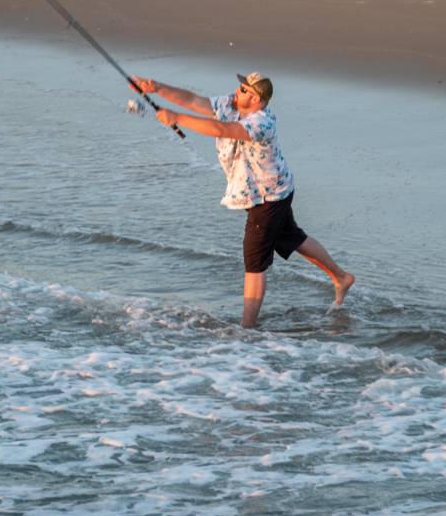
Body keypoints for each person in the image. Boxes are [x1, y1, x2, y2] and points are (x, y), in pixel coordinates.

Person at [130, 71, 354, 328]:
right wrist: (157, 88)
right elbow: (195, 101)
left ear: (257, 99)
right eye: (240, 86)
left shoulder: (262, 123)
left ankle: (247, 331)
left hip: (269, 196)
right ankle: (341, 277)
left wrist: (176, 118)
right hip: (271, 189)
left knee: (254, 259)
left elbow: (221, 129)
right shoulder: (231, 104)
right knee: (290, 236)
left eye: (244, 89)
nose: (238, 90)